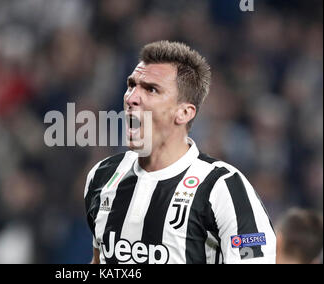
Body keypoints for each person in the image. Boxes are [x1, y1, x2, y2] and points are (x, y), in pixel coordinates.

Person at [84, 40, 276, 264]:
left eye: (151, 89)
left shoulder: (223, 188)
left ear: (184, 113)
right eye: (131, 85)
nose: (131, 97)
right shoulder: (102, 175)